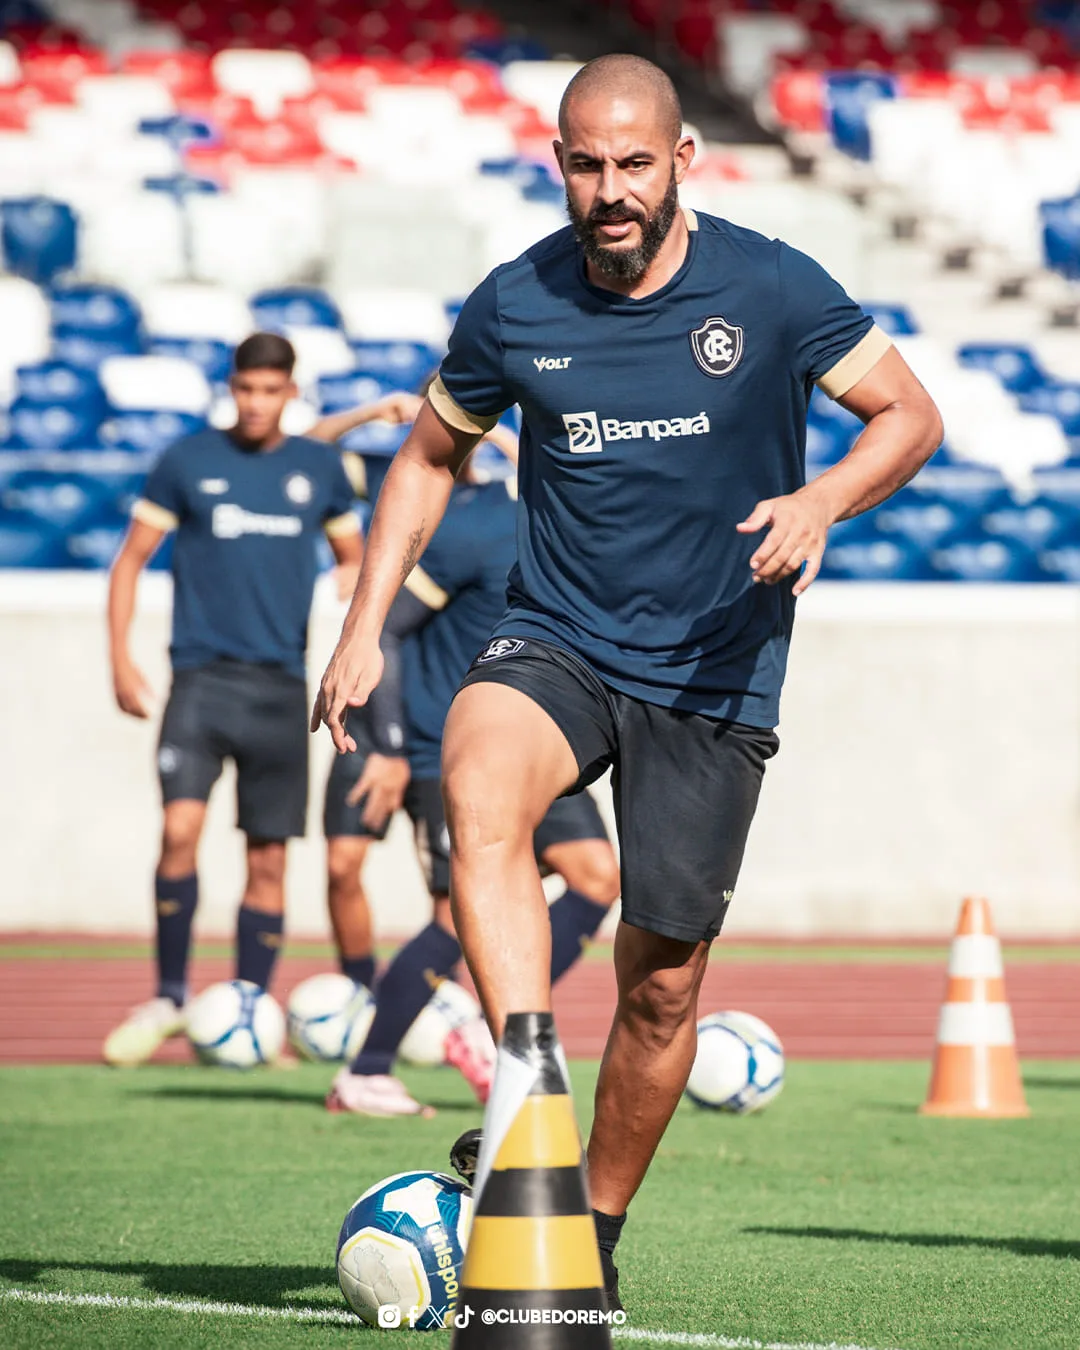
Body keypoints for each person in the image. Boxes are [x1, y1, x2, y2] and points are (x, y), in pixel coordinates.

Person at [312, 54, 943, 1310]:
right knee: (482, 785)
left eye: (634, 164)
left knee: (660, 991)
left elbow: (909, 417)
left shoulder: (768, 285)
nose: (610, 190)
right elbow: (431, 456)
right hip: (555, 636)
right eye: (586, 164)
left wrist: (822, 499)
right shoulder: (514, 304)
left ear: (681, 163)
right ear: (559, 162)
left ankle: (584, 1237)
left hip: (715, 673)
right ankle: (523, 1077)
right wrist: (363, 622)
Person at [310, 395, 621, 1116]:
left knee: (597, 877)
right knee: (460, 917)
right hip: (464, 743)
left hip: (550, 730)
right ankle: (371, 1067)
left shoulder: (561, 518)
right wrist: (388, 748)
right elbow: (383, 629)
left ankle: (500, 1031)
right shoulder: (466, 520)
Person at [103, 332, 362, 1067]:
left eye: (270, 390)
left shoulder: (317, 468)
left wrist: (352, 589)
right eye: (245, 389)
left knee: (269, 861)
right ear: (231, 388)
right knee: (179, 830)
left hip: (281, 689)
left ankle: (249, 1003)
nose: (256, 402)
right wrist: (120, 656)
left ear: (291, 392)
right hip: (201, 682)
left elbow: (354, 556)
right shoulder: (187, 461)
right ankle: (170, 992)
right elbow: (129, 562)